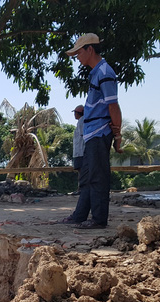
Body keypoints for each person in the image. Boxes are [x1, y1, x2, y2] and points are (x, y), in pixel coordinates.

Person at [59, 33, 123, 229]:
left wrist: (117, 133)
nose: (77, 57)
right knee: (87, 177)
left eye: (79, 52)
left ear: (90, 49)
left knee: (97, 176)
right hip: (92, 132)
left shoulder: (105, 72)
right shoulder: (96, 72)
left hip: (100, 131)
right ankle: (80, 215)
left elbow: (113, 105)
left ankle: (98, 219)